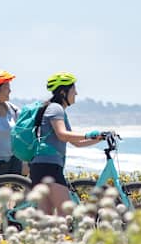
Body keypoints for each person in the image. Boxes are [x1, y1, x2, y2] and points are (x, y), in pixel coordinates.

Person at [29, 72, 103, 215]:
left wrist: (98, 138)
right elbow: (62, 135)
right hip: (48, 167)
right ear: (63, 92)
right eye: (73, 89)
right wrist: (89, 134)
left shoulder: (57, 110)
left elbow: (75, 142)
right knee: (66, 214)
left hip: (42, 166)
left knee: (46, 219)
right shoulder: (55, 108)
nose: (76, 93)